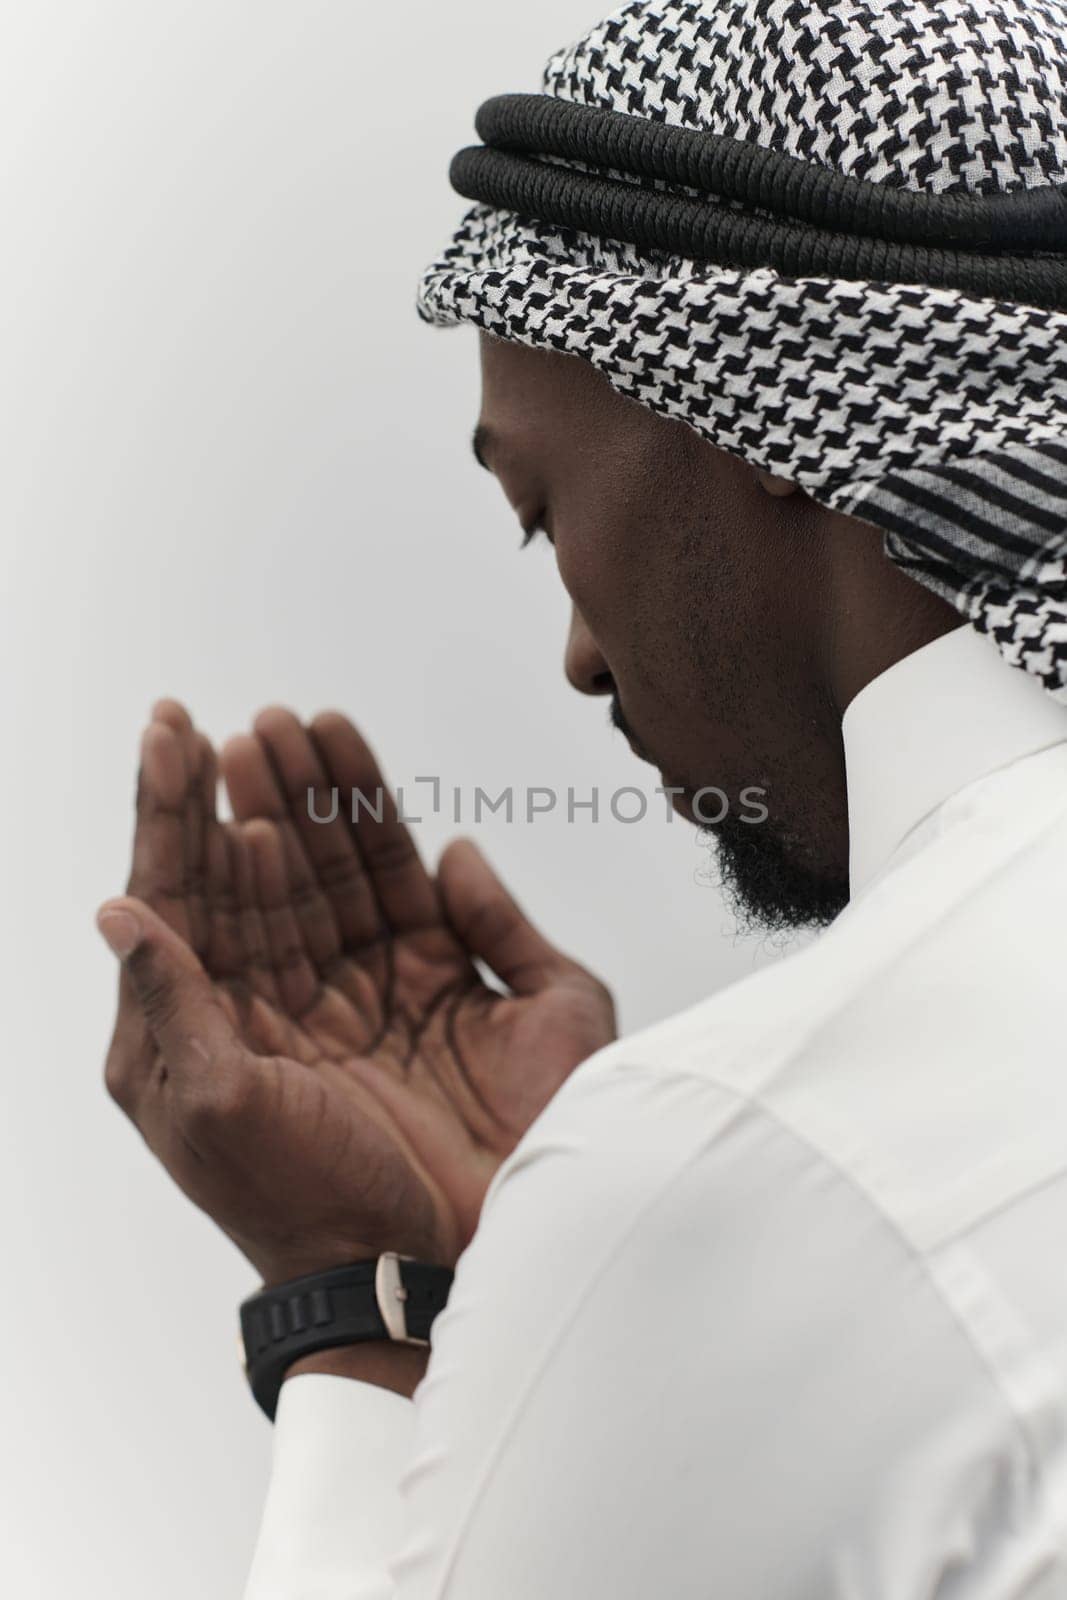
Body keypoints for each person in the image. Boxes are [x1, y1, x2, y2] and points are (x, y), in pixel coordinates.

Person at [96, 1, 1067, 1594]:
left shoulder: (744, 1168)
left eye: (540, 513)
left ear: (762, 398)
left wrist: (365, 1316)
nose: (576, 658)